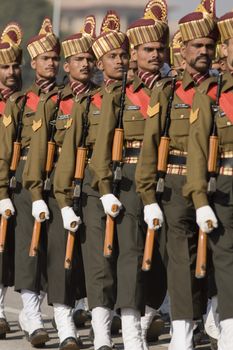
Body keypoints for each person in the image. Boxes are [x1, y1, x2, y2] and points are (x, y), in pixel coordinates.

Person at [135, 1, 218, 349]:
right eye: (196, 46)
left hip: (222, 182)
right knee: (182, 265)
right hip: (177, 184)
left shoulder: (221, 89)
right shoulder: (167, 92)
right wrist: (148, 197)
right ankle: (182, 336)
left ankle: (216, 324)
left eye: (208, 46)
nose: (203, 52)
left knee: (220, 263)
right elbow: (151, 146)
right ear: (181, 50)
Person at [89, 1, 170, 349]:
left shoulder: (172, 88)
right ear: (134, 53)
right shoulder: (121, 94)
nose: (154, 55)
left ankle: (156, 315)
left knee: (169, 260)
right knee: (132, 258)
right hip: (133, 182)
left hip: (174, 182)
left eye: (159, 49)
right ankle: (131, 330)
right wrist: (106, 188)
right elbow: (102, 146)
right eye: (146, 50)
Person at [54, 10, 129, 350]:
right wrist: (64, 200)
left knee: (129, 260)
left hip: (132, 187)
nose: (121, 61)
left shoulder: (140, 96)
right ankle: (99, 333)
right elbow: (70, 153)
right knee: (99, 262)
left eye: (123, 55)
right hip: (97, 190)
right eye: (113, 56)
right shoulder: (89, 102)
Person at [23, 15, 97, 350]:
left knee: (95, 262)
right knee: (60, 261)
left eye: (89, 58)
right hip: (61, 191)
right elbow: (39, 152)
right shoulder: (55, 103)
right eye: (78, 59)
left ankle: (99, 322)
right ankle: (64, 324)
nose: (85, 64)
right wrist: (38, 192)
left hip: (99, 190)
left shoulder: (103, 99)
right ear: (69, 66)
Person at [0, 18, 60, 347]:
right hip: (22, 180)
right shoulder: (21, 104)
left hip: (59, 179)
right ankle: (31, 312)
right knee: (27, 248)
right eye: (45, 58)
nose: (51, 64)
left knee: (56, 249)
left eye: (56, 58)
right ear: (34, 63)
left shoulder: (68, 99)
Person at [183, 9, 233, 350]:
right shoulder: (212, 94)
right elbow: (198, 151)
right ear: (227, 49)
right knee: (227, 263)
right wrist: (200, 200)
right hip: (227, 187)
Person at [0, 22, 22, 339]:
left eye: (16, 66)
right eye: (4, 66)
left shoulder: (24, 103)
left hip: (11, 185)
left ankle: (1, 310)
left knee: (3, 251)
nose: (11, 72)